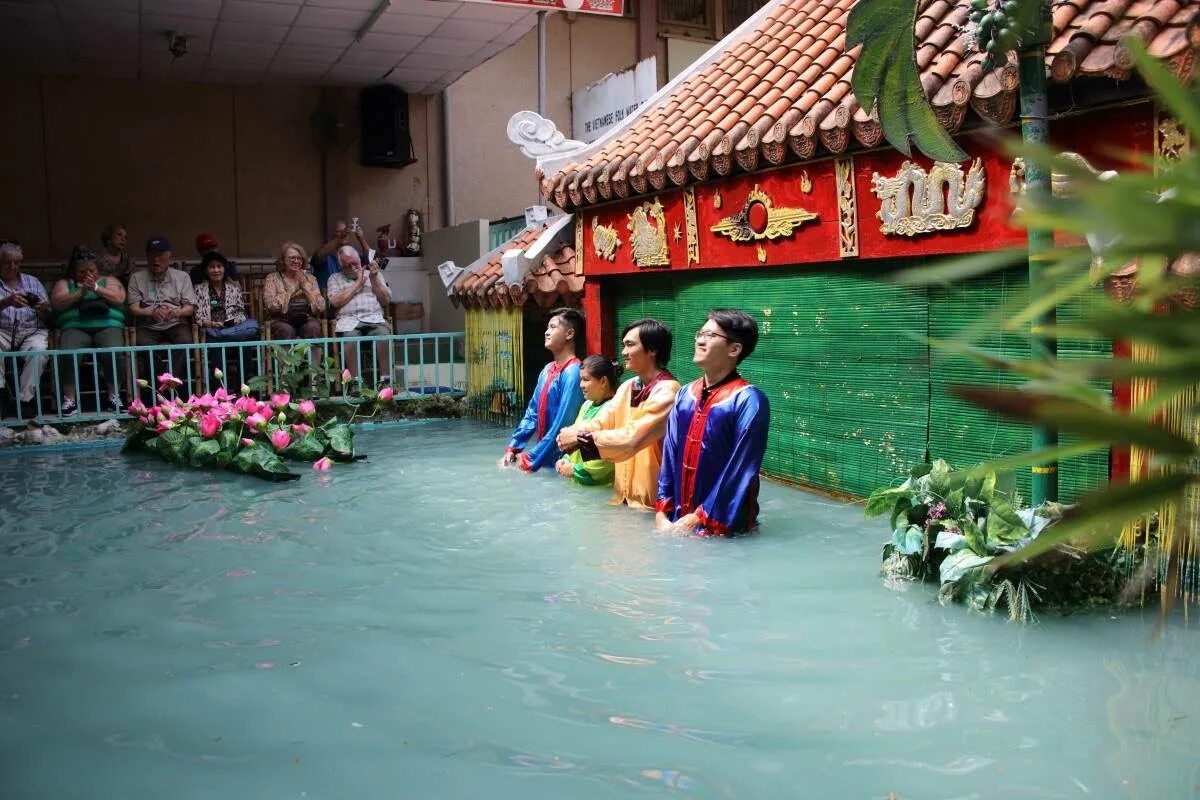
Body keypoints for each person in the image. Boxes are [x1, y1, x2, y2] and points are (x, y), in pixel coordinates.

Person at [656, 310, 771, 537]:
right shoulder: (685, 394)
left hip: (726, 529)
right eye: (700, 334)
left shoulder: (749, 400)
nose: (700, 340)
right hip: (678, 521)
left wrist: (698, 517)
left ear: (734, 349)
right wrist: (662, 510)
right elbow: (669, 454)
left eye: (710, 335)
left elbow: (740, 468)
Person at [557, 319, 680, 509]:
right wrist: (572, 433)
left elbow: (633, 438)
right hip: (622, 498)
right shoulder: (628, 386)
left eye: (630, 345)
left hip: (653, 504)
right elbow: (602, 422)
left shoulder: (668, 391)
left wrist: (580, 437)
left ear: (652, 350)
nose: (623, 352)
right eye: (624, 345)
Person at [499, 308, 586, 473]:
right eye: (547, 328)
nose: (546, 332)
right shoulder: (547, 370)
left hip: (566, 461)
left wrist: (530, 459)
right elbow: (532, 413)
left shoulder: (574, 372)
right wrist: (513, 448)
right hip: (545, 457)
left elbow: (563, 423)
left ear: (569, 334)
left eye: (553, 327)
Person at [50, 246, 128, 415]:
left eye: (91, 270)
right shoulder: (65, 283)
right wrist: (81, 292)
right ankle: (70, 400)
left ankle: (113, 396)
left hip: (108, 325)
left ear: (98, 269)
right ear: (74, 270)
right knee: (68, 352)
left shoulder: (109, 280)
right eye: (82, 271)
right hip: (75, 326)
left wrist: (96, 288)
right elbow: (57, 303)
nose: (87, 274)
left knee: (113, 351)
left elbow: (118, 298)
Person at [126, 236, 195, 392]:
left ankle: (169, 382)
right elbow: (133, 308)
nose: (156, 259)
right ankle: (162, 380)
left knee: (185, 341)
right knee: (143, 344)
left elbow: (189, 308)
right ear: (147, 257)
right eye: (152, 255)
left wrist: (176, 312)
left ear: (169, 257)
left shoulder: (182, 277)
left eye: (160, 255)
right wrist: (151, 312)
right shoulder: (137, 278)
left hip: (175, 322)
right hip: (149, 323)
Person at [327, 245, 391, 384]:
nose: (352, 268)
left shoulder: (374, 274)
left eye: (355, 263)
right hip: (348, 321)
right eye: (347, 266)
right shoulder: (334, 278)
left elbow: (386, 300)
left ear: (360, 260)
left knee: (384, 335)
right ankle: (355, 382)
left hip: (374, 318)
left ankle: (385, 380)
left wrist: (373, 279)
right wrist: (357, 284)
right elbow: (335, 302)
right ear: (340, 266)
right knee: (350, 338)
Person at [0, 242, 50, 415]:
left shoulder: (32, 281)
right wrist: (7, 302)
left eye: (16, 262)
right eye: (7, 262)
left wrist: (43, 309)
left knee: (38, 351)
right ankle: (1, 396)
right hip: (3, 331)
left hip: (31, 330)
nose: (12, 267)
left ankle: (25, 400)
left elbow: (48, 314)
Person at [555, 354, 618, 485]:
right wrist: (565, 459)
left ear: (603, 381)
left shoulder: (614, 408)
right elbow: (575, 441)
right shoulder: (587, 404)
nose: (581, 385)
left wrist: (575, 470)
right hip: (579, 484)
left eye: (586, 380)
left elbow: (609, 455)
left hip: (603, 487)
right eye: (581, 379)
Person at [263, 241, 325, 340]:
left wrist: (305, 287)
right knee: (286, 330)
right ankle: (285, 351)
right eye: (292, 258)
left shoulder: (310, 279)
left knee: (313, 327)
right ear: (283, 260)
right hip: (281, 320)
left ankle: (312, 351)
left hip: (306, 319)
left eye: (299, 258)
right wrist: (294, 288)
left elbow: (321, 306)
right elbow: (271, 306)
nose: (296, 261)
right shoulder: (272, 278)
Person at [193, 251, 258, 342]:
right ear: (206, 270)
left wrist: (234, 321)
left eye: (219, 266)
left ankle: (223, 335)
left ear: (224, 269)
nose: (216, 270)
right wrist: (211, 324)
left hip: (233, 329)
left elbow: (241, 313)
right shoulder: (199, 290)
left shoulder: (234, 289)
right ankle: (222, 336)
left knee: (249, 330)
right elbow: (198, 317)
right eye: (212, 267)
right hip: (210, 329)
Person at [311, 220, 368, 290]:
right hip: (327, 294)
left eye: (346, 232)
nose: (344, 234)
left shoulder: (352, 254)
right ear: (332, 235)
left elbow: (370, 260)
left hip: (350, 293)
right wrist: (340, 238)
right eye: (340, 231)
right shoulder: (326, 254)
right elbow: (318, 256)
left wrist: (361, 239)